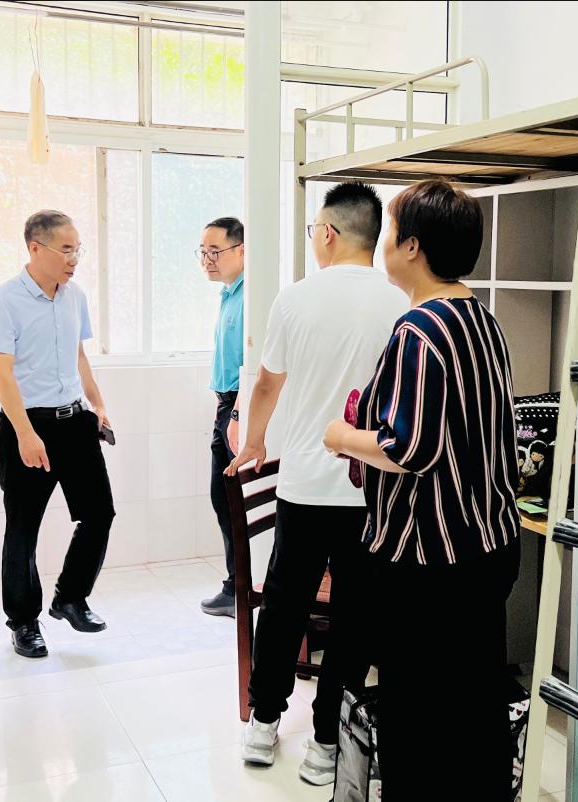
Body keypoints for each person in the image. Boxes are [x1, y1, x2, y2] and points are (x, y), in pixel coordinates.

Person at [324, 179, 522, 800]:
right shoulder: (482, 319)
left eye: (390, 233)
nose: (384, 244)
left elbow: (408, 449)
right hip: (489, 545)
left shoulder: (418, 329)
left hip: (428, 561)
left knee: (416, 714)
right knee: (473, 706)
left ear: (412, 246)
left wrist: (341, 435)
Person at [227, 182, 407, 785]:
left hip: (304, 485)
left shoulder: (295, 299)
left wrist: (254, 441)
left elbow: (266, 384)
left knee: (284, 607)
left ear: (327, 233)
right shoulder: (402, 302)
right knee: (356, 616)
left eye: (313, 231)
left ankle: (263, 723)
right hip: (371, 488)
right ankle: (328, 740)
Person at [0, 210, 115, 658]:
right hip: (27, 425)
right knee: (23, 529)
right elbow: (1, 373)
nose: (74, 259)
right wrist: (24, 432)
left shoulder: (74, 296)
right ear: (35, 248)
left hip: (74, 421)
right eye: (66, 250)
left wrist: (98, 405)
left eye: (78, 250)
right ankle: (23, 622)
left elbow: (79, 356)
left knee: (99, 513)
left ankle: (70, 598)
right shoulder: (4, 301)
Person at [197, 216, 245, 617]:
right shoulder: (229, 295)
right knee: (223, 499)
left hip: (238, 407)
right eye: (203, 252)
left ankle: (240, 589)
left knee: (232, 500)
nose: (207, 260)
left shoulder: (251, 297)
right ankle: (237, 585)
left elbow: (256, 365)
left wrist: (238, 414)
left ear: (241, 250)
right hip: (226, 406)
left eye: (215, 251)